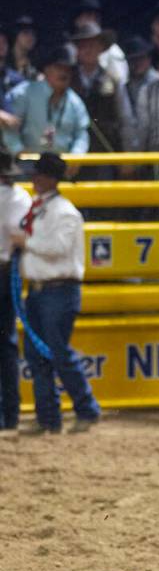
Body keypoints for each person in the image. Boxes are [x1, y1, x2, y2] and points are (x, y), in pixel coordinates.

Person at [8, 152, 101, 435]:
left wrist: (27, 242)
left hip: (58, 290)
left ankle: (85, 409)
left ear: (50, 178)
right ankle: (49, 417)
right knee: (40, 355)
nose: (34, 179)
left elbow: (58, 248)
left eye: (39, 174)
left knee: (56, 351)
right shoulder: (44, 209)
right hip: (42, 291)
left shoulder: (65, 212)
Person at [4, 46, 90, 155]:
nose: (64, 73)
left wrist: (76, 157)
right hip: (26, 166)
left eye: (68, 69)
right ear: (46, 69)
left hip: (63, 166)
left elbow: (81, 134)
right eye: (59, 67)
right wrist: (19, 152)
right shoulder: (24, 93)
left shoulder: (75, 102)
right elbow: (9, 128)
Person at [0, 147, 30, 436]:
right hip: (6, 268)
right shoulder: (20, 197)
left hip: (4, 269)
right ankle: (9, 414)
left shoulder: (18, 197)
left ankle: (7, 413)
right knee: (7, 344)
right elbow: (21, 237)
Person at [69, 22, 133, 155]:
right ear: (77, 50)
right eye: (83, 46)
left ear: (101, 48)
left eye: (92, 45)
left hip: (105, 149)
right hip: (72, 149)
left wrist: (128, 154)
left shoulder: (113, 79)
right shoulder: (67, 79)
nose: (88, 50)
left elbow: (125, 118)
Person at [70, 0, 128, 86]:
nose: (92, 20)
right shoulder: (69, 49)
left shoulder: (113, 51)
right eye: (88, 16)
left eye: (96, 17)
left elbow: (120, 83)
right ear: (77, 21)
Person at [9, 16, 37, 81]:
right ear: (15, 35)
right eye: (25, 32)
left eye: (33, 33)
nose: (31, 37)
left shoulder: (35, 65)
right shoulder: (4, 62)